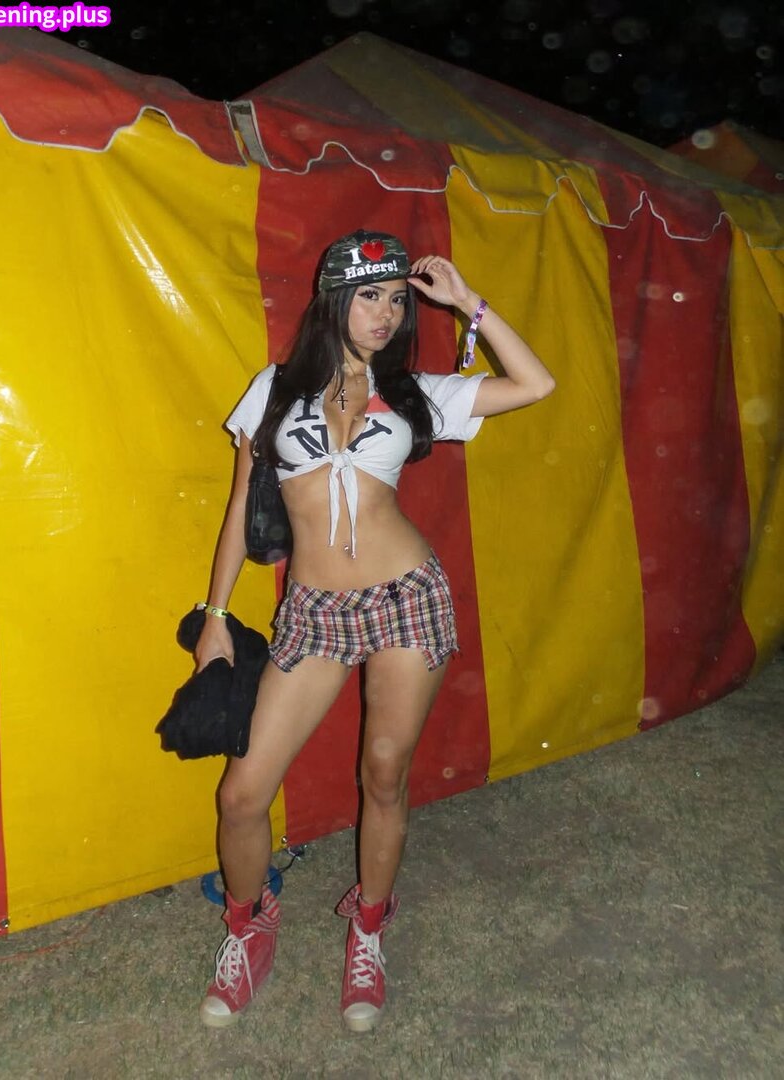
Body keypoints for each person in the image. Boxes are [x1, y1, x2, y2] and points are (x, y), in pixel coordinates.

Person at [194, 230, 555, 1032]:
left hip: (406, 598)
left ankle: (368, 929)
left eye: (396, 299)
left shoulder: (417, 393)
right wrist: (215, 618)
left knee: (385, 774)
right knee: (242, 793)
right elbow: (238, 508)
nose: (386, 313)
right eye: (369, 296)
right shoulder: (274, 391)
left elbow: (536, 383)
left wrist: (468, 304)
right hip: (315, 611)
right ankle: (248, 928)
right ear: (333, 300)